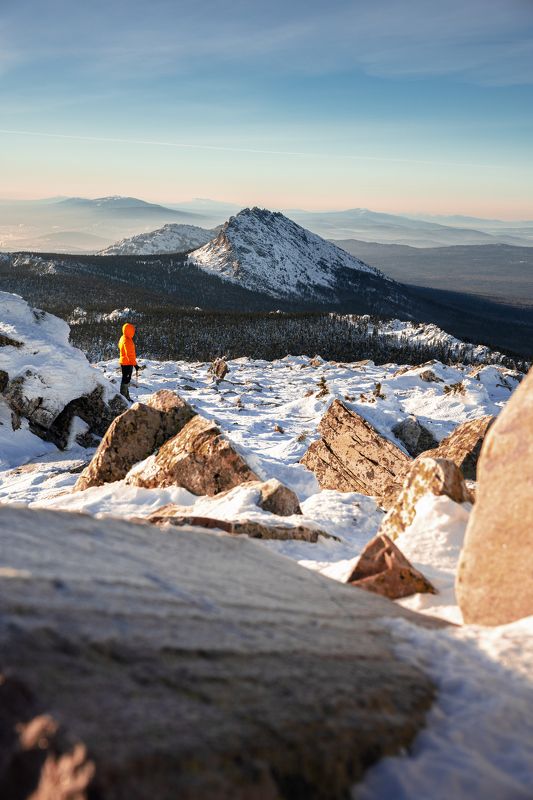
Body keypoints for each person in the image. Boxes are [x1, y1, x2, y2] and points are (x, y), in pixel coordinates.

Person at [118, 322, 138, 400]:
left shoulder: (123, 337)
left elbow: (119, 346)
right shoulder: (128, 341)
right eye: (132, 331)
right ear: (130, 331)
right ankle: (123, 397)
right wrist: (135, 364)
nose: (133, 332)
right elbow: (129, 354)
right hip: (127, 363)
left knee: (126, 379)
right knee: (126, 379)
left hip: (124, 362)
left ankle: (126, 396)